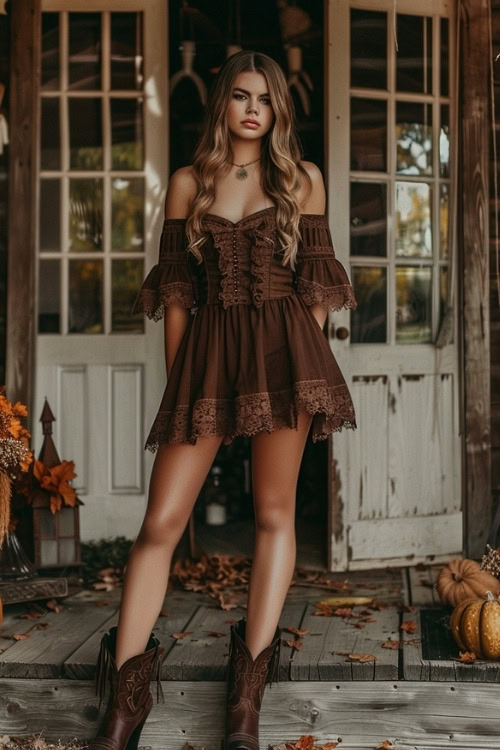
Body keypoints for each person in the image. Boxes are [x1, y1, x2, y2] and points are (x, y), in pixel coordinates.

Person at [87, 50, 357, 750]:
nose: (251, 110)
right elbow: (176, 296)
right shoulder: (188, 183)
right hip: (208, 358)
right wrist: (183, 379)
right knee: (160, 522)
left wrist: (302, 366)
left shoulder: (302, 179)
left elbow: (318, 291)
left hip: (282, 353)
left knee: (273, 514)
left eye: (263, 100)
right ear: (224, 105)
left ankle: (245, 702)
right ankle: (125, 697)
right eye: (240, 97)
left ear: (277, 111)